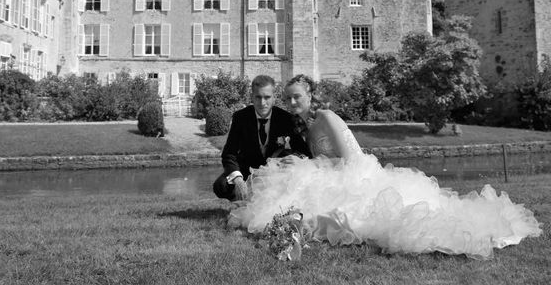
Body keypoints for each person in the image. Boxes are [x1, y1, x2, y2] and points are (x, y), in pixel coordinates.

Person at [229, 74, 542, 259]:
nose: (292, 103)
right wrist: (302, 162)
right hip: (330, 171)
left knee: (355, 215)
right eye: (288, 98)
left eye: (296, 97)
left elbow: (350, 156)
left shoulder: (327, 117)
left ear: (310, 95)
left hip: (353, 173)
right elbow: (317, 157)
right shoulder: (305, 126)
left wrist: (325, 173)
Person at [213, 74, 311, 201]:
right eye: (258, 97)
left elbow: (303, 151)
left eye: (267, 97)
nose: (262, 103)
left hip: (275, 173)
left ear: (274, 97)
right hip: (247, 170)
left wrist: (297, 159)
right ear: (252, 97)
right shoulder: (240, 117)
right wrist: (237, 178)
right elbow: (229, 153)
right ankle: (242, 200)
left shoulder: (286, 119)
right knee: (221, 185)